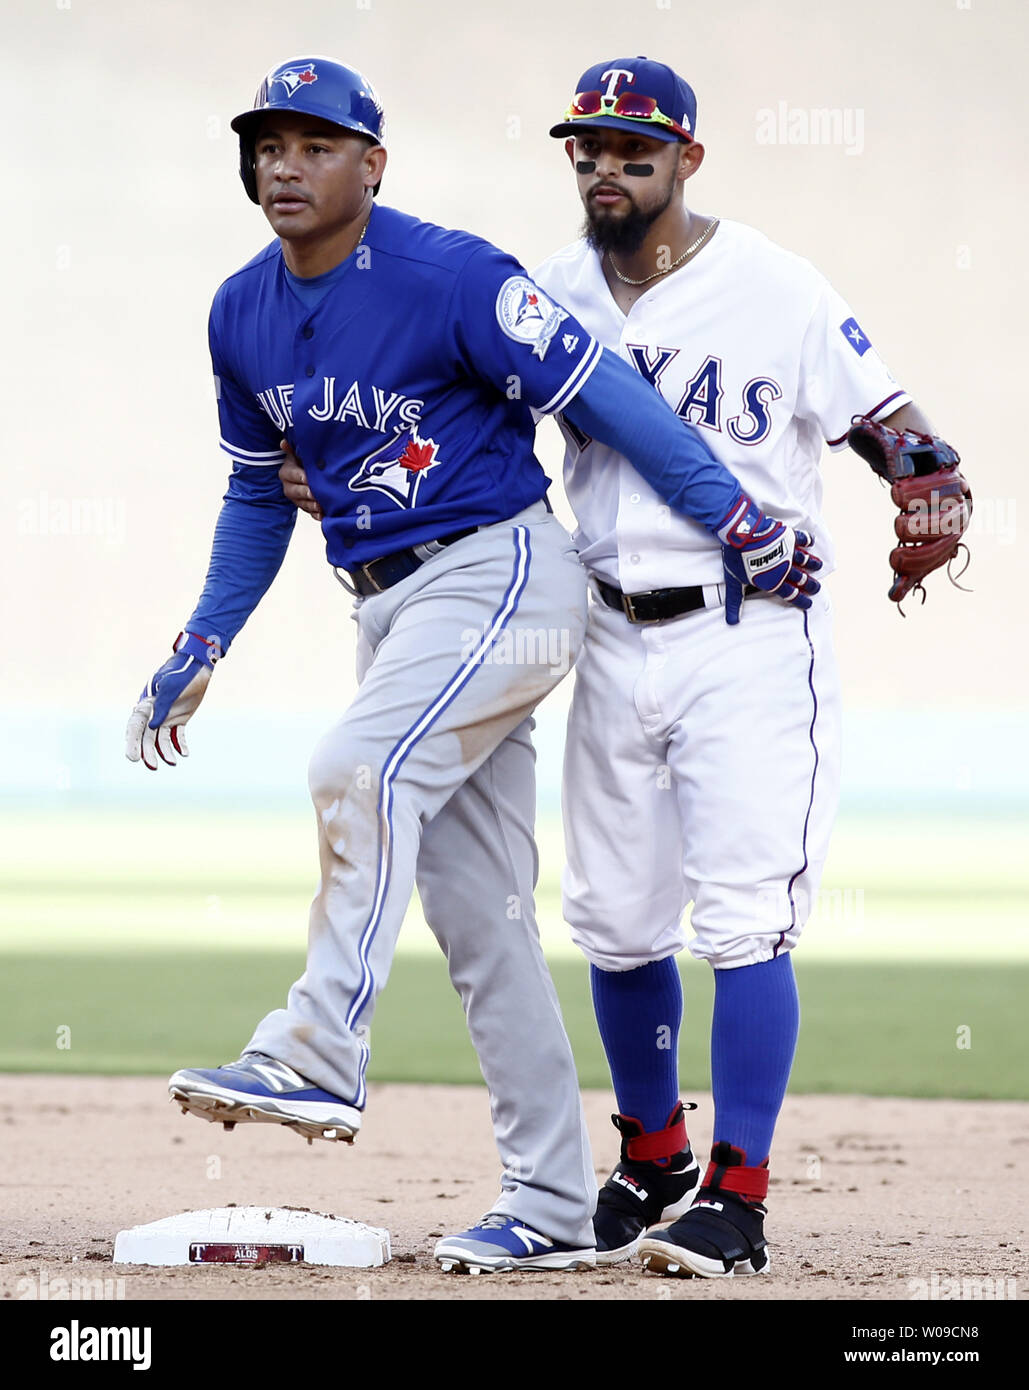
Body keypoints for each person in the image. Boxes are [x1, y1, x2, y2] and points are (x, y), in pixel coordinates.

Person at [127, 54, 818, 1276]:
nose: (286, 164)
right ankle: (553, 1199)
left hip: (503, 575)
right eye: (269, 145)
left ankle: (316, 1051)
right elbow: (256, 490)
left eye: (316, 143)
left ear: (372, 164)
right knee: (483, 916)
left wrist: (732, 514)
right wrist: (201, 641)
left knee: (358, 764)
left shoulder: (452, 275)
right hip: (392, 610)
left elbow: (608, 396)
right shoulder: (241, 308)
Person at [281, 54, 968, 1281]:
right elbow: (446, 420)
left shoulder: (776, 287)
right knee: (613, 919)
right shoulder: (547, 290)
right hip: (599, 625)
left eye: (633, 151)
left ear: (687, 160)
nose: (605, 168)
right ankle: (652, 1158)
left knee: (746, 919)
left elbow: (888, 420)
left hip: (747, 630)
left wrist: (930, 478)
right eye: (587, 149)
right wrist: (334, 459)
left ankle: (738, 1201)